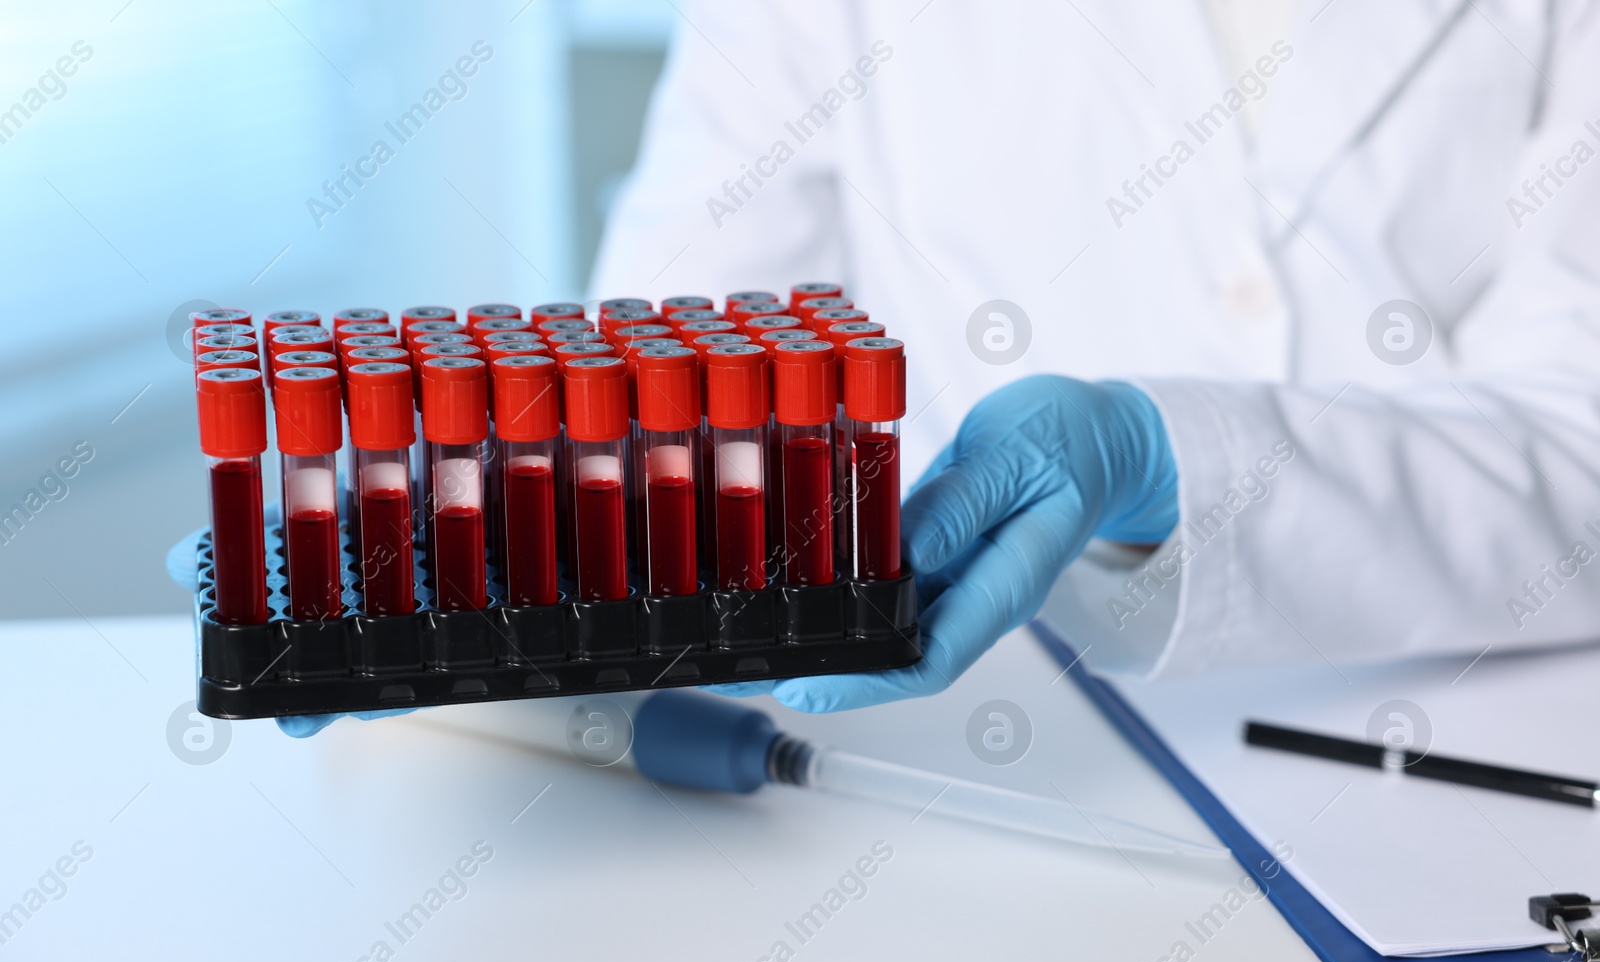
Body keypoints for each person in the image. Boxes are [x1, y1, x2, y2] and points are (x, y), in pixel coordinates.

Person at [588, 0, 1600, 713]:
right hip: (985, 719)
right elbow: (670, 365)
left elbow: (1582, 435)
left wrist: (1168, 458)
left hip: (1469, 704)